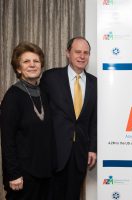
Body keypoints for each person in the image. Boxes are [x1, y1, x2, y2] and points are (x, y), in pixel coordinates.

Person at [40, 36, 97, 200]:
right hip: (54, 152)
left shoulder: (95, 83)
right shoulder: (50, 78)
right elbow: (41, 115)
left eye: (86, 53)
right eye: (77, 51)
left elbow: (93, 120)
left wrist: (92, 147)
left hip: (79, 153)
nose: (82, 56)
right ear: (67, 53)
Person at [0, 42, 55, 200]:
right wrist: (14, 174)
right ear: (18, 68)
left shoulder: (44, 93)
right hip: (23, 177)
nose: (32, 65)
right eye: (26, 61)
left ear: (41, 66)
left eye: (36, 61)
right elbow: (7, 141)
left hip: (45, 174)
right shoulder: (12, 97)